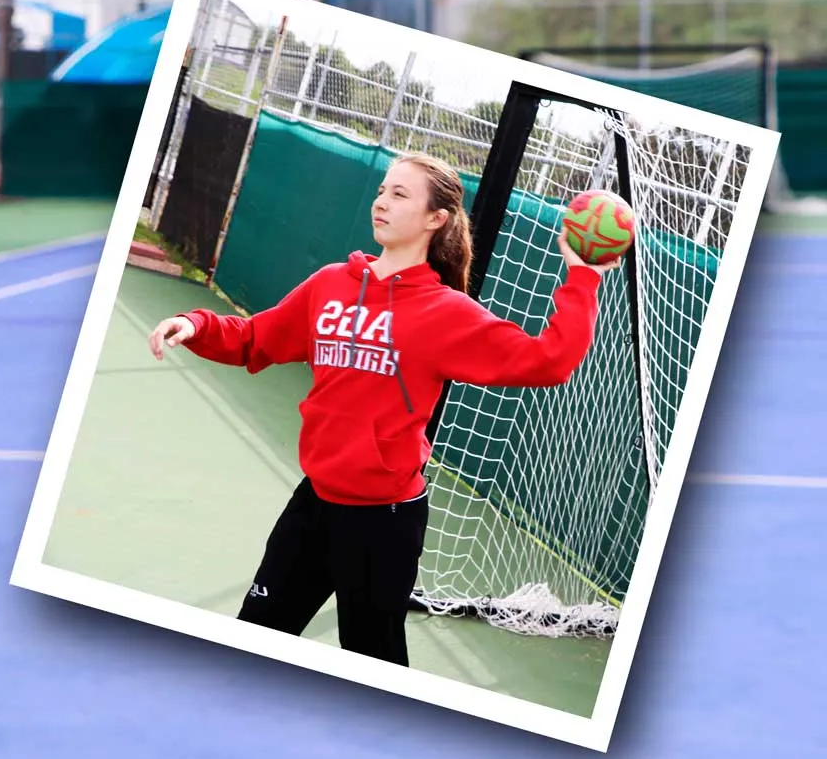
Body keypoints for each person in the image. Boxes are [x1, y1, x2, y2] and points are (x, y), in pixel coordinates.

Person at [146, 151, 615, 666]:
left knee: (372, 661)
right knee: (255, 633)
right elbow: (257, 338)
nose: (382, 202)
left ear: (436, 219)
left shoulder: (446, 314)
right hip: (315, 504)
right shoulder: (330, 284)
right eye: (381, 190)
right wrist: (197, 325)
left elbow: (547, 361)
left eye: (399, 194)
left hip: (383, 523)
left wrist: (583, 278)